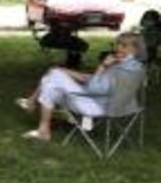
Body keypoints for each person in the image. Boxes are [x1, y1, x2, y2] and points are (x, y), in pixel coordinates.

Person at [16, 32, 146, 141]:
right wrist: (69, 72)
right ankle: (41, 123)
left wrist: (103, 66)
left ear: (135, 49)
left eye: (124, 46)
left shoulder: (120, 69)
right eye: (117, 44)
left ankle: (37, 113)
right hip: (116, 105)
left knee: (53, 77)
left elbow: (93, 89)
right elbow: (96, 81)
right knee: (53, 79)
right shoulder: (135, 67)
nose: (118, 48)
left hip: (98, 107)